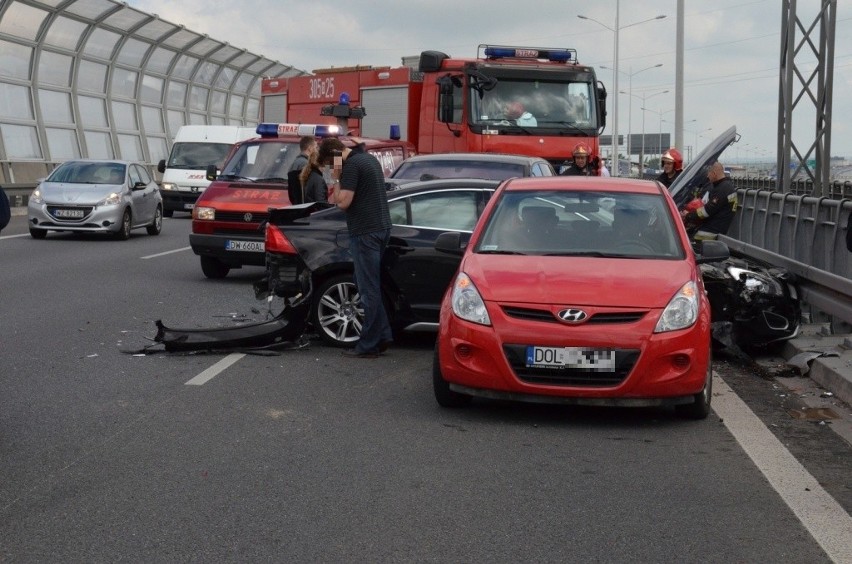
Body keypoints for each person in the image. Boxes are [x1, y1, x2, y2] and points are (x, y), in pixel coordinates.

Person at [317, 137, 393, 358]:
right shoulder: (368, 159)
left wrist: (334, 179)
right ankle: (384, 335)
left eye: (331, 163)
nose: (332, 168)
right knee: (367, 284)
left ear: (336, 156)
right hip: (381, 228)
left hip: (365, 232)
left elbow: (342, 202)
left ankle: (368, 345)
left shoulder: (350, 166)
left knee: (368, 290)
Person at [681, 161, 738, 240]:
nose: (707, 176)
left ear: (714, 174)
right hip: (718, 228)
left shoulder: (721, 189)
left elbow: (706, 211)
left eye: (709, 173)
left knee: (685, 240)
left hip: (711, 232)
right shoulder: (727, 186)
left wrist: (688, 215)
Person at [287, 136, 317, 205]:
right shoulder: (306, 164)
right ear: (310, 148)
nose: (316, 150)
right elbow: (309, 191)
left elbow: (291, 193)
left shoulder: (294, 163)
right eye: (315, 147)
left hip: (297, 206)